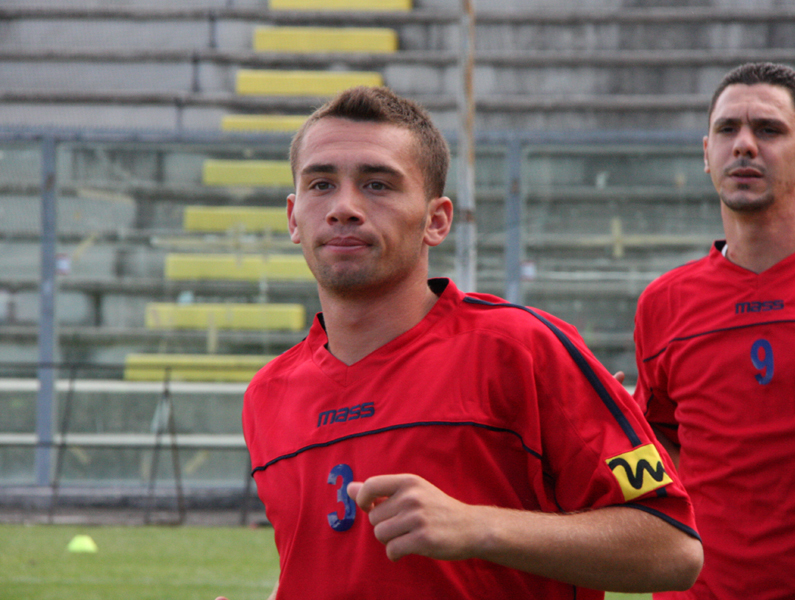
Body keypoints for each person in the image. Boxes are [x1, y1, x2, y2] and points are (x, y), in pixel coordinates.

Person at [222, 86, 703, 600]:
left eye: (377, 185)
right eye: (321, 184)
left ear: (437, 220)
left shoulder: (521, 348)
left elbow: (673, 548)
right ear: (293, 217)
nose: (344, 207)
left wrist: (477, 527)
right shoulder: (267, 395)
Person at [633, 62, 795, 600]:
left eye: (770, 130)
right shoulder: (663, 303)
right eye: (728, 130)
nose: (745, 146)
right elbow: (661, 454)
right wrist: (621, 432)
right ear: (705, 152)